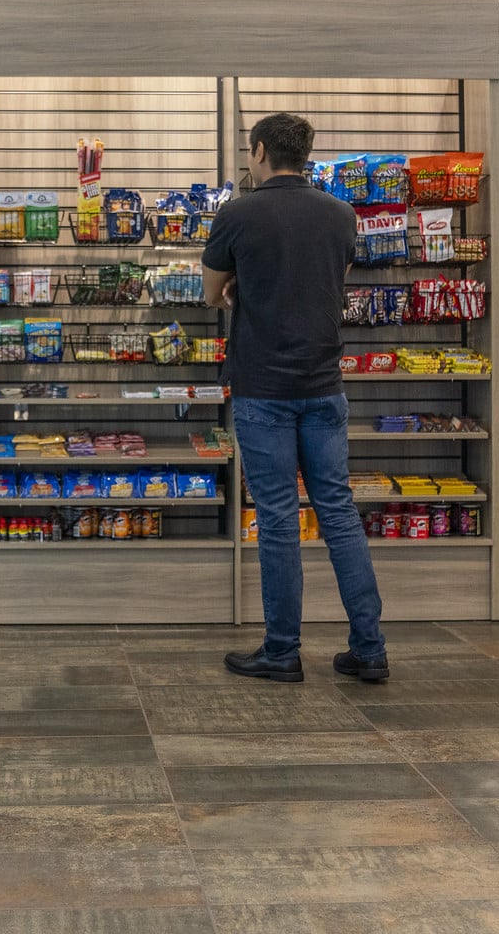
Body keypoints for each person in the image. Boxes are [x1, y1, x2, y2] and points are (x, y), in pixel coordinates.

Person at [202, 113, 388, 684]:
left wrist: (241, 286)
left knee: (279, 520)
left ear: (259, 152)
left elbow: (212, 293)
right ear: (305, 155)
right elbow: (335, 278)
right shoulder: (341, 214)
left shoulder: (236, 213)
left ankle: (282, 651)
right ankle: (370, 649)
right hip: (325, 386)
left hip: (263, 388)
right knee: (339, 513)